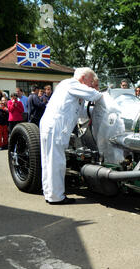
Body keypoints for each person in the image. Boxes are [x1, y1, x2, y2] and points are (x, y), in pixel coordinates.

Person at [40, 67, 103, 205]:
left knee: (49, 161)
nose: (92, 85)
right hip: (56, 127)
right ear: (83, 78)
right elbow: (95, 95)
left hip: (52, 126)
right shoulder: (72, 84)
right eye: (91, 81)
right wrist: (104, 97)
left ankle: (50, 193)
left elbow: (81, 112)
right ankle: (56, 197)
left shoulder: (72, 89)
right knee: (56, 162)